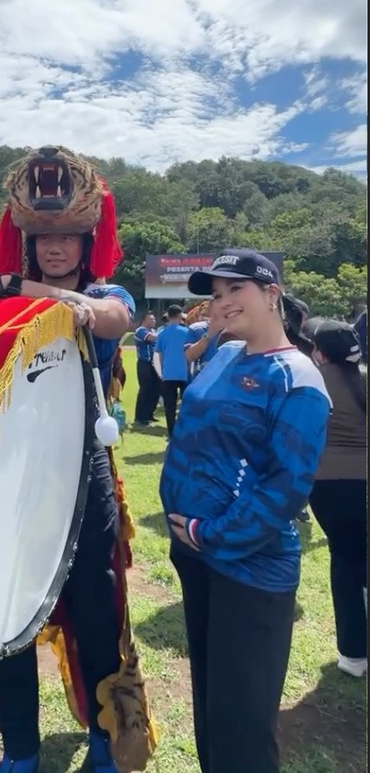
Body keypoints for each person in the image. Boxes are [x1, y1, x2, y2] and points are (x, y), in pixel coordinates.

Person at [0, 148, 154, 773]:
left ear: (87, 242)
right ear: (30, 241)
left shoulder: (108, 294)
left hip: (87, 479)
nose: (55, 248)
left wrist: (16, 287)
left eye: (67, 238)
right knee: (6, 607)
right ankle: (21, 750)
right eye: (44, 237)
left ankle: (109, 741)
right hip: (10, 477)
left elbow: (105, 321)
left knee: (95, 604)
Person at [159, 249, 330, 773]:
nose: (223, 303)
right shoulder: (224, 356)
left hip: (251, 569)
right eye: (216, 294)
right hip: (195, 556)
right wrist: (188, 532)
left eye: (236, 289)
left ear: (272, 294)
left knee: (243, 720)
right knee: (211, 699)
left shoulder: (297, 377)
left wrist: (210, 534)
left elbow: (285, 489)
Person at [308, 320, 367, 678]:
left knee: (345, 563)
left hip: (329, 485)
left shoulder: (315, 381)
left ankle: (354, 654)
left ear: (321, 352)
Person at [154, 304, 189, 436]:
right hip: (184, 372)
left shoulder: (162, 333)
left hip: (169, 373)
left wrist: (162, 370)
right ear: (180, 316)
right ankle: (185, 430)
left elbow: (160, 354)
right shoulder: (187, 332)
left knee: (170, 406)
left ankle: (171, 433)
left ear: (168, 316)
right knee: (186, 404)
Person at [133, 311, 160, 426]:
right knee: (145, 389)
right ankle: (140, 417)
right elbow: (152, 339)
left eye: (154, 319)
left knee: (156, 389)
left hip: (155, 364)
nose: (153, 321)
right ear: (144, 320)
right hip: (144, 363)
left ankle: (149, 414)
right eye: (151, 319)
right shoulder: (141, 330)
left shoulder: (154, 331)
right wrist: (168, 334)